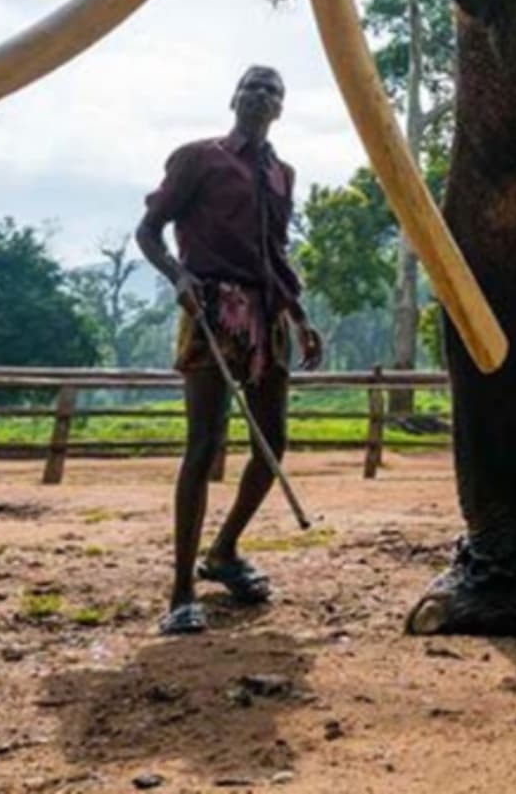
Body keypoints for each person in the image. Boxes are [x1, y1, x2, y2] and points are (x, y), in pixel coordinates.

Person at [136, 63, 322, 635]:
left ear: (281, 108)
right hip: (213, 310)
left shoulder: (283, 174)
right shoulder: (199, 157)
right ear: (233, 97)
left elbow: (276, 252)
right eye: (252, 85)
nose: (261, 94)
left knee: (273, 444)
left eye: (273, 89)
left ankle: (223, 551)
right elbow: (149, 231)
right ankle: (180, 591)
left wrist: (299, 314)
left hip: (267, 318)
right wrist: (178, 277)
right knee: (205, 444)